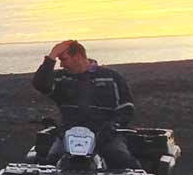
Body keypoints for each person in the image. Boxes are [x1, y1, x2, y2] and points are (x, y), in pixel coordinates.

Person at [32, 40, 136, 168]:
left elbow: (126, 107)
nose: (62, 65)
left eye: (64, 59)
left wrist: (112, 126)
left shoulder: (111, 77)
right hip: (69, 134)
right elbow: (39, 83)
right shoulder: (61, 78)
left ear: (78, 56)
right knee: (51, 163)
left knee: (122, 160)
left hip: (105, 135)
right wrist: (52, 56)